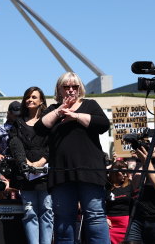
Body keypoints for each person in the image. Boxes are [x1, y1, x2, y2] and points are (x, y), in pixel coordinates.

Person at [35, 72, 110, 244]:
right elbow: (39, 129)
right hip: (62, 172)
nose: (70, 90)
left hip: (90, 170)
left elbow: (103, 124)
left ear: (80, 88)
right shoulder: (53, 110)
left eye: (74, 86)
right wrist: (60, 112)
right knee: (63, 219)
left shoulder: (90, 105)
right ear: (59, 89)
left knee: (95, 215)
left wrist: (76, 116)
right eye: (66, 87)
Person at [9, 87, 53, 244]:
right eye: (28, 97)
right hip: (26, 175)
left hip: (45, 175)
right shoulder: (18, 123)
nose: (30, 99)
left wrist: (41, 162)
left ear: (41, 101)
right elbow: (14, 143)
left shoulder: (49, 121)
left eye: (34, 97)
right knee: (30, 213)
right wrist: (26, 163)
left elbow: (53, 144)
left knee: (47, 211)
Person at [105, 160, 132, 244]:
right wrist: (104, 218)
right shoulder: (106, 186)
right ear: (114, 172)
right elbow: (100, 203)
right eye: (123, 172)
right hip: (110, 224)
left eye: (126, 172)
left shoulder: (130, 185)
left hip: (125, 223)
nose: (125, 174)